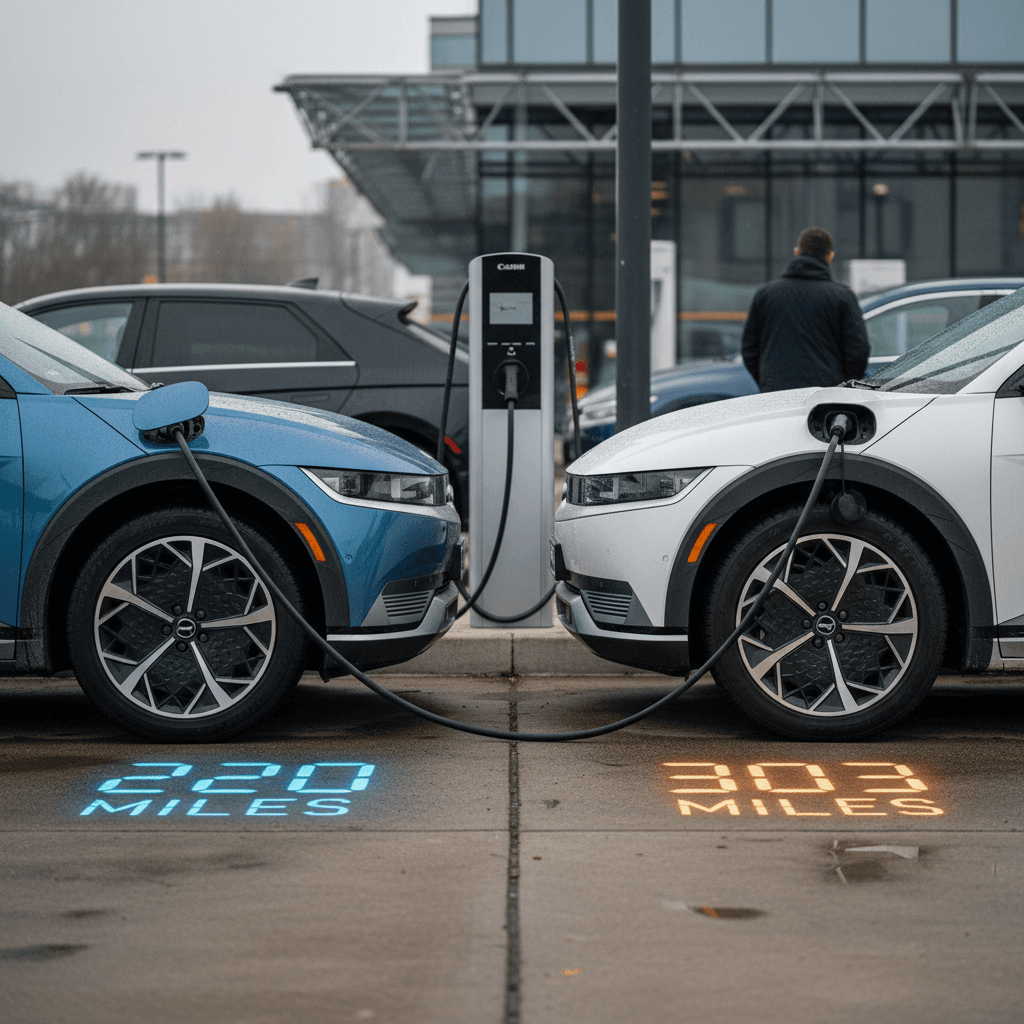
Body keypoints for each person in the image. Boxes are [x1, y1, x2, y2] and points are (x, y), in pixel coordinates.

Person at [741, 227, 869, 393]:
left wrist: (767, 380)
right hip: (825, 395)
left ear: (796, 252)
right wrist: (841, 385)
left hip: (776, 392)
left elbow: (749, 349)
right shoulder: (842, 296)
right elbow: (857, 351)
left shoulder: (765, 294)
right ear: (830, 257)